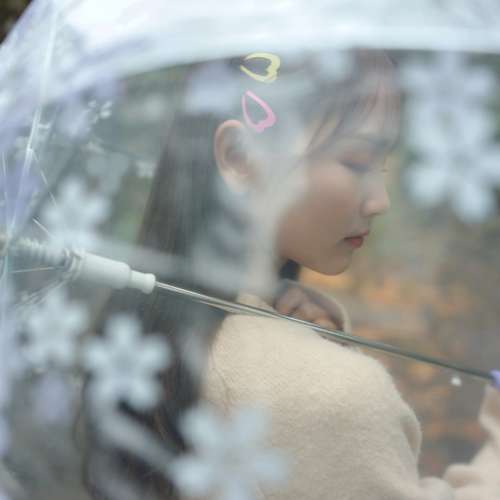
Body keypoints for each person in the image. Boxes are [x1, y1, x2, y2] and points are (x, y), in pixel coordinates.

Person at [82, 49, 500, 500]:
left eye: (381, 165)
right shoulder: (333, 396)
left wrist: (312, 342)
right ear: (240, 156)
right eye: (358, 162)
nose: (380, 200)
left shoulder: (154, 343)